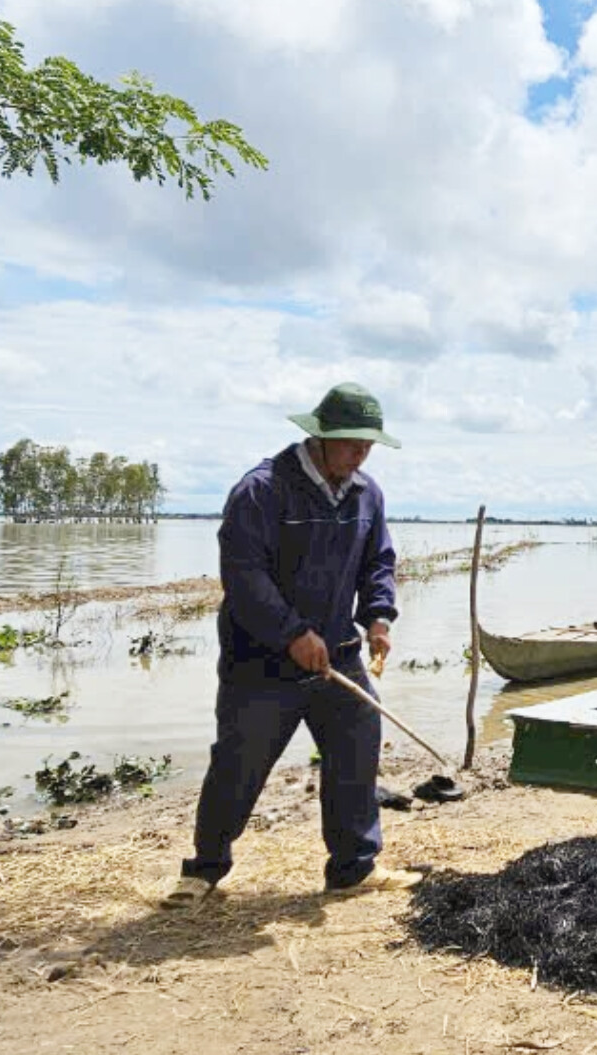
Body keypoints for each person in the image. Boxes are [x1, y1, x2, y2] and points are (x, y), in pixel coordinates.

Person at [165, 382, 420, 907]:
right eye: (351, 443)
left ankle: (353, 868)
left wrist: (377, 618)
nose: (360, 454)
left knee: (357, 750)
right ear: (320, 437)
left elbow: (379, 563)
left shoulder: (367, 494)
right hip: (261, 660)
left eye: (367, 446)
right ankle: (204, 870)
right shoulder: (261, 490)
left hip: (337, 655)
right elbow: (244, 576)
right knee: (240, 761)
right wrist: (291, 634)